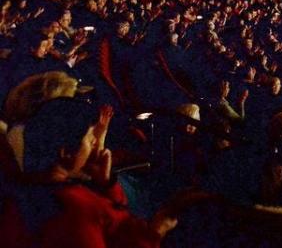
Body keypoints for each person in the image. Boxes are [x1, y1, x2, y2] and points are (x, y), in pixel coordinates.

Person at [1, 97, 178, 247]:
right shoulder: (72, 208)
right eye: (90, 139)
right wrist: (154, 233)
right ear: (67, 152)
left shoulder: (27, 192)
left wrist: (106, 184)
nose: (95, 145)